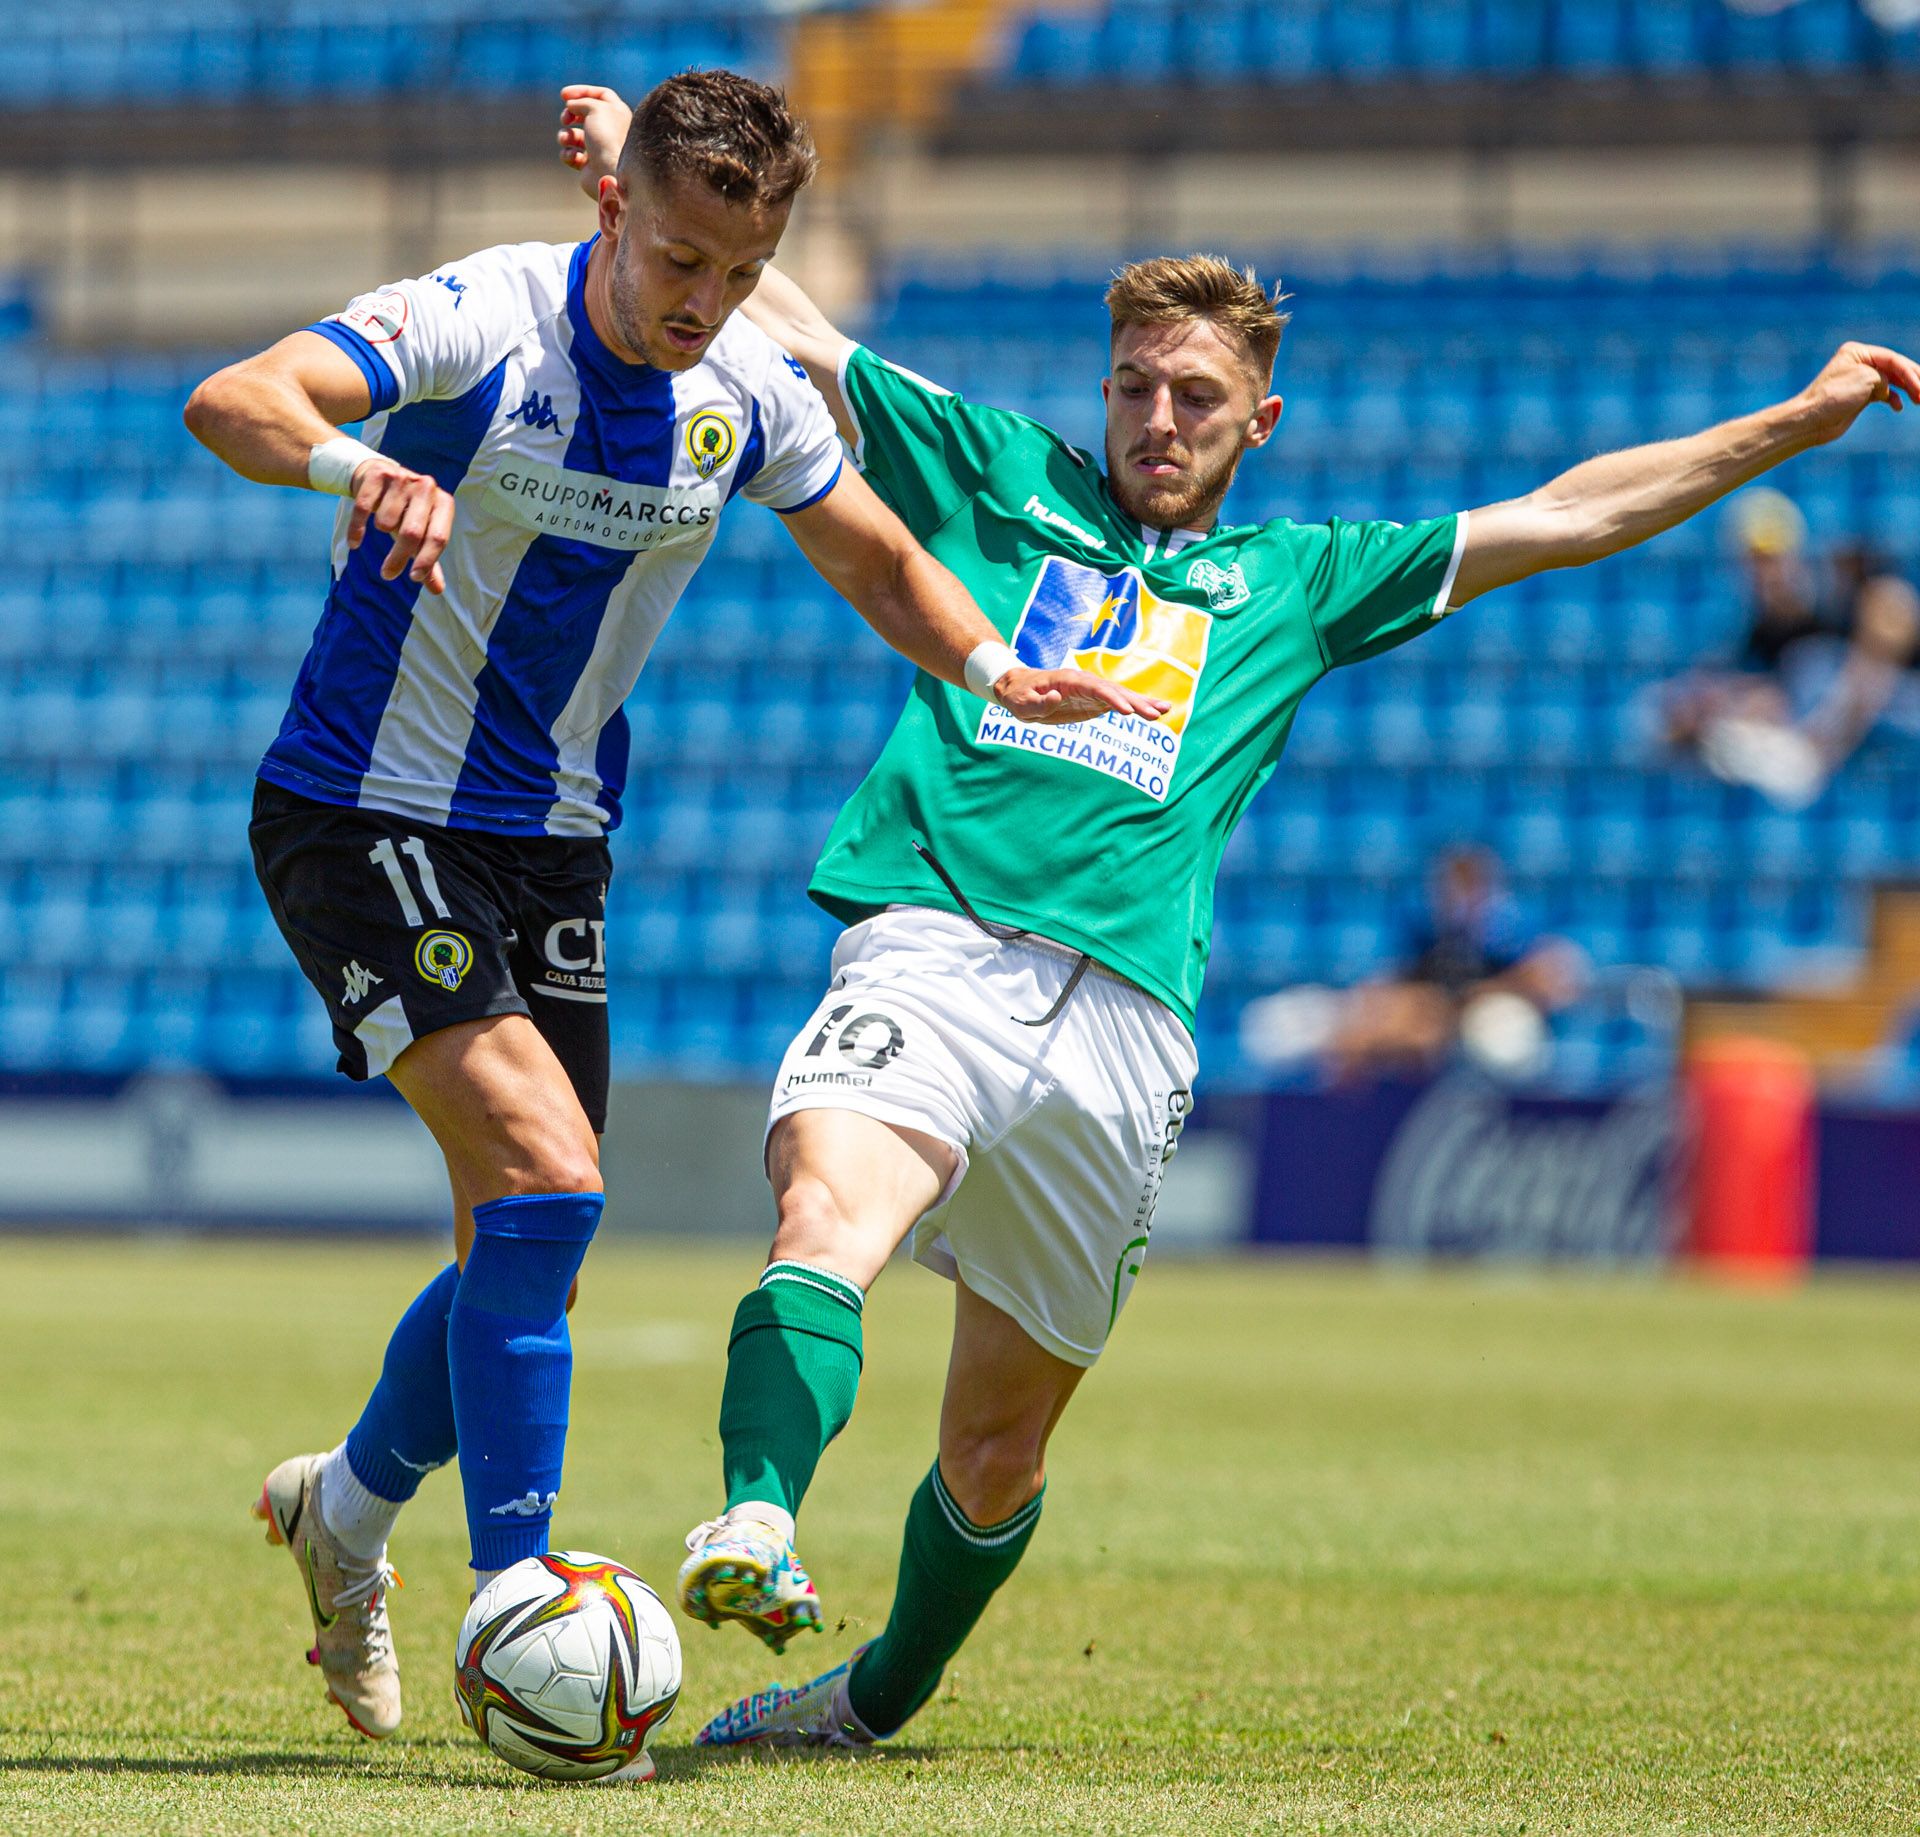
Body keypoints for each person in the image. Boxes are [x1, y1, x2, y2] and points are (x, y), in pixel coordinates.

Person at [561, 84, 1920, 1755]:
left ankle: (874, 1692)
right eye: (1133, 385)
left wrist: (1788, 422)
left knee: (997, 1450)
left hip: (1131, 1026)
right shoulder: (1000, 476)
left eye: (1195, 394)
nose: (1156, 415)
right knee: (824, 1208)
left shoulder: (1301, 579)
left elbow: (1571, 512)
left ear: (1257, 418)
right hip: (939, 941)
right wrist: (642, 172)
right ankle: (756, 1513)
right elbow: (799, 328)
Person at [183, 71, 1155, 1745]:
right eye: (678, 261)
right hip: (363, 809)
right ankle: (515, 1593)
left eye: (736, 271)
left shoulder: (746, 389)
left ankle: (343, 1511)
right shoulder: (482, 316)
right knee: (548, 1177)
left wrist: (1001, 665)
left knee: (527, 1236)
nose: (699, 302)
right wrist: (360, 462)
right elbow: (234, 395)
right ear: (613, 207)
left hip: (554, 841)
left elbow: (869, 551)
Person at [1663, 486, 1920, 805]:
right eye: (1753, 562)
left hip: (1899, 715)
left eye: (1771, 558)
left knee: (1812, 667)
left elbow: (1894, 615)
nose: (1764, 573)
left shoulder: (1843, 585)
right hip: (1841, 742)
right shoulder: (1759, 633)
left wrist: (1825, 739)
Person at [1241, 845, 1583, 1082]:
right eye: (1449, 884)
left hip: (1476, 1029)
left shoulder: (1504, 928)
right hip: (1427, 1031)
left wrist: (1466, 999)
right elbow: (1403, 981)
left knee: (1499, 1028)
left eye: (1465, 885)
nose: (1455, 895)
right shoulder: (1429, 930)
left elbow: (1553, 974)